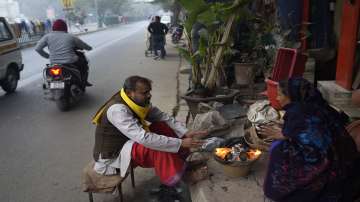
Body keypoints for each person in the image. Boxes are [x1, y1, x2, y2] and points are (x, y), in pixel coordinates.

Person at [91, 75, 209, 200]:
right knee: (157, 146)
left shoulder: (137, 101)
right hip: (113, 156)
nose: (149, 95)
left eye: (149, 92)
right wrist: (180, 143)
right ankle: (179, 179)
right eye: (144, 93)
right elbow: (144, 139)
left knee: (162, 127)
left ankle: (181, 165)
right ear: (130, 93)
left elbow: (162, 117)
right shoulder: (117, 110)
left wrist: (186, 132)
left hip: (129, 142)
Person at [258, 77, 360, 202]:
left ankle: (280, 190)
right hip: (346, 160)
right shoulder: (317, 105)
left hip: (332, 169)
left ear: (291, 96)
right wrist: (288, 134)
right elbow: (311, 133)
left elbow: (316, 149)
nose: (277, 98)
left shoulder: (299, 113)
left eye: (279, 94)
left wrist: (284, 137)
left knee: (278, 149)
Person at [35, 19, 93, 86]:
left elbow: (37, 48)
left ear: (53, 27)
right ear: (65, 27)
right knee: (84, 63)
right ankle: (83, 81)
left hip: (54, 62)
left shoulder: (47, 37)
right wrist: (89, 48)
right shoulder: (70, 36)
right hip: (70, 61)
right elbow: (84, 45)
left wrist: (48, 56)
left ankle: (53, 86)